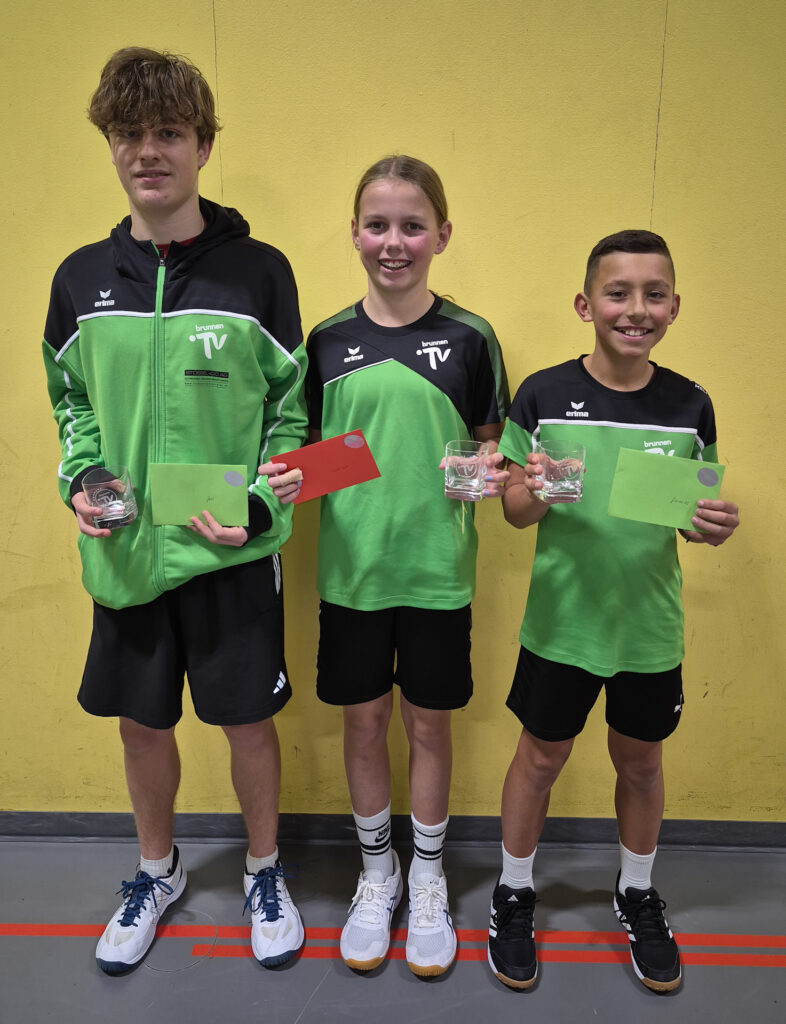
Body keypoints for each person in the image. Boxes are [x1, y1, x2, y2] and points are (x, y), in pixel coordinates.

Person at [41, 47, 308, 974]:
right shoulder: (79, 278)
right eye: (129, 134)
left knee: (247, 723)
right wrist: (83, 478)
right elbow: (71, 402)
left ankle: (265, 871)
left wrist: (260, 513)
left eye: (167, 132)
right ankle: (156, 871)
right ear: (110, 145)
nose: (147, 151)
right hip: (126, 553)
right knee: (141, 724)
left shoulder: (260, 273)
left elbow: (291, 416)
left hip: (228, 550)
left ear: (202, 146)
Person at [270, 155, 509, 977]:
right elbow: (305, 459)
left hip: (438, 575)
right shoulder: (326, 342)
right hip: (354, 578)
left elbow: (493, 454)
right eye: (378, 225)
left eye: (413, 225)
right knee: (364, 722)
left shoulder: (473, 338)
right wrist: (278, 481)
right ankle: (379, 874)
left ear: (443, 234)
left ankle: (429, 875)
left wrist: (500, 472)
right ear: (355, 233)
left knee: (429, 726)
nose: (394, 242)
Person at [487, 230, 740, 993]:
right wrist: (533, 489)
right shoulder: (541, 395)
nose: (636, 309)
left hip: (648, 629)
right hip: (561, 625)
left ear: (674, 307)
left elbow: (689, 515)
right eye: (618, 292)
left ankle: (635, 892)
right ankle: (513, 892)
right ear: (585, 304)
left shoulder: (691, 404)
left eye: (653, 294)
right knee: (540, 760)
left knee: (642, 763)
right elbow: (514, 510)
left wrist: (709, 524)